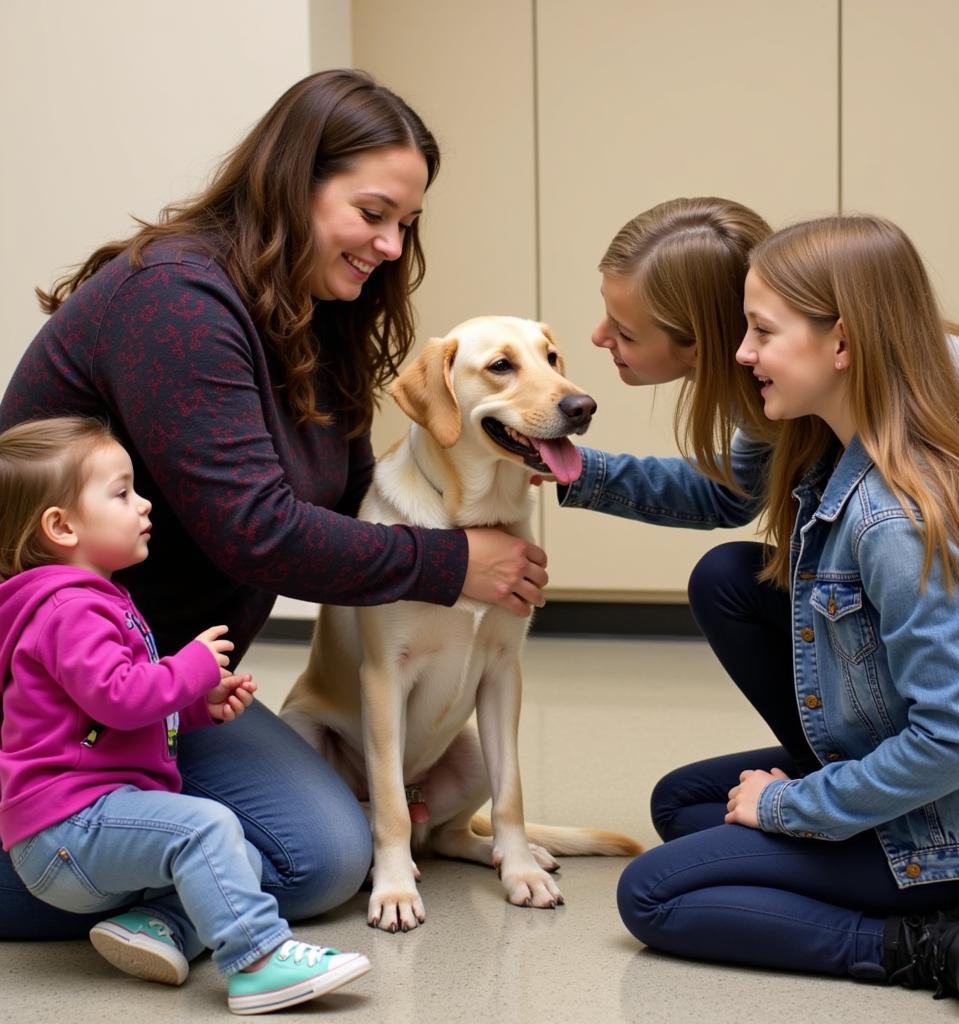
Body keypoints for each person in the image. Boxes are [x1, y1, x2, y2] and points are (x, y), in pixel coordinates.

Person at [0, 69, 548, 940]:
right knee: (309, 856)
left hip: (171, 687)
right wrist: (453, 564)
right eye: (372, 215)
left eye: (405, 223)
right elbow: (256, 531)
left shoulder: (314, 315)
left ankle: (155, 889)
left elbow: (349, 495)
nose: (392, 246)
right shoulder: (176, 302)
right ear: (294, 183)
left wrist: (490, 484)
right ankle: (72, 856)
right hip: (55, 697)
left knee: (327, 855)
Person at [613, 216, 959, 1009]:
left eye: (761, 331)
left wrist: (788, 804)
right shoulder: (847, 457)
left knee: (652, 896)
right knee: (681, 805)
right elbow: (720, 490)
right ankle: (930, 875)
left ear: (843, 346)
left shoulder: (891, 520)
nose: (739, 354)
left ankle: (925, 944)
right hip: (951, 797)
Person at [558, 195, 959, 770]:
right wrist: (568, 470)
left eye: (625, 331)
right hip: (940, 635)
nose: (599, 336)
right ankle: (844, 775)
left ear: (701, 341)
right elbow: (732, 490)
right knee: (725, 589)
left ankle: (870, 796)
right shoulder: (788, 382)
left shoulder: (905, 405)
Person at [0, 417, 371, 1014]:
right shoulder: (67, 610)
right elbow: (117, 697)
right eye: (121, 494)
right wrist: (191, 666)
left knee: (244, 857)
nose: (143, 503)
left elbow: (113, 720)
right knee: (207, 826)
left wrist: (197, 708)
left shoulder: (95, 599)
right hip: (67, 830)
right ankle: (257, 963)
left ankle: (156, 927)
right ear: (62, 526)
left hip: (93, 820)